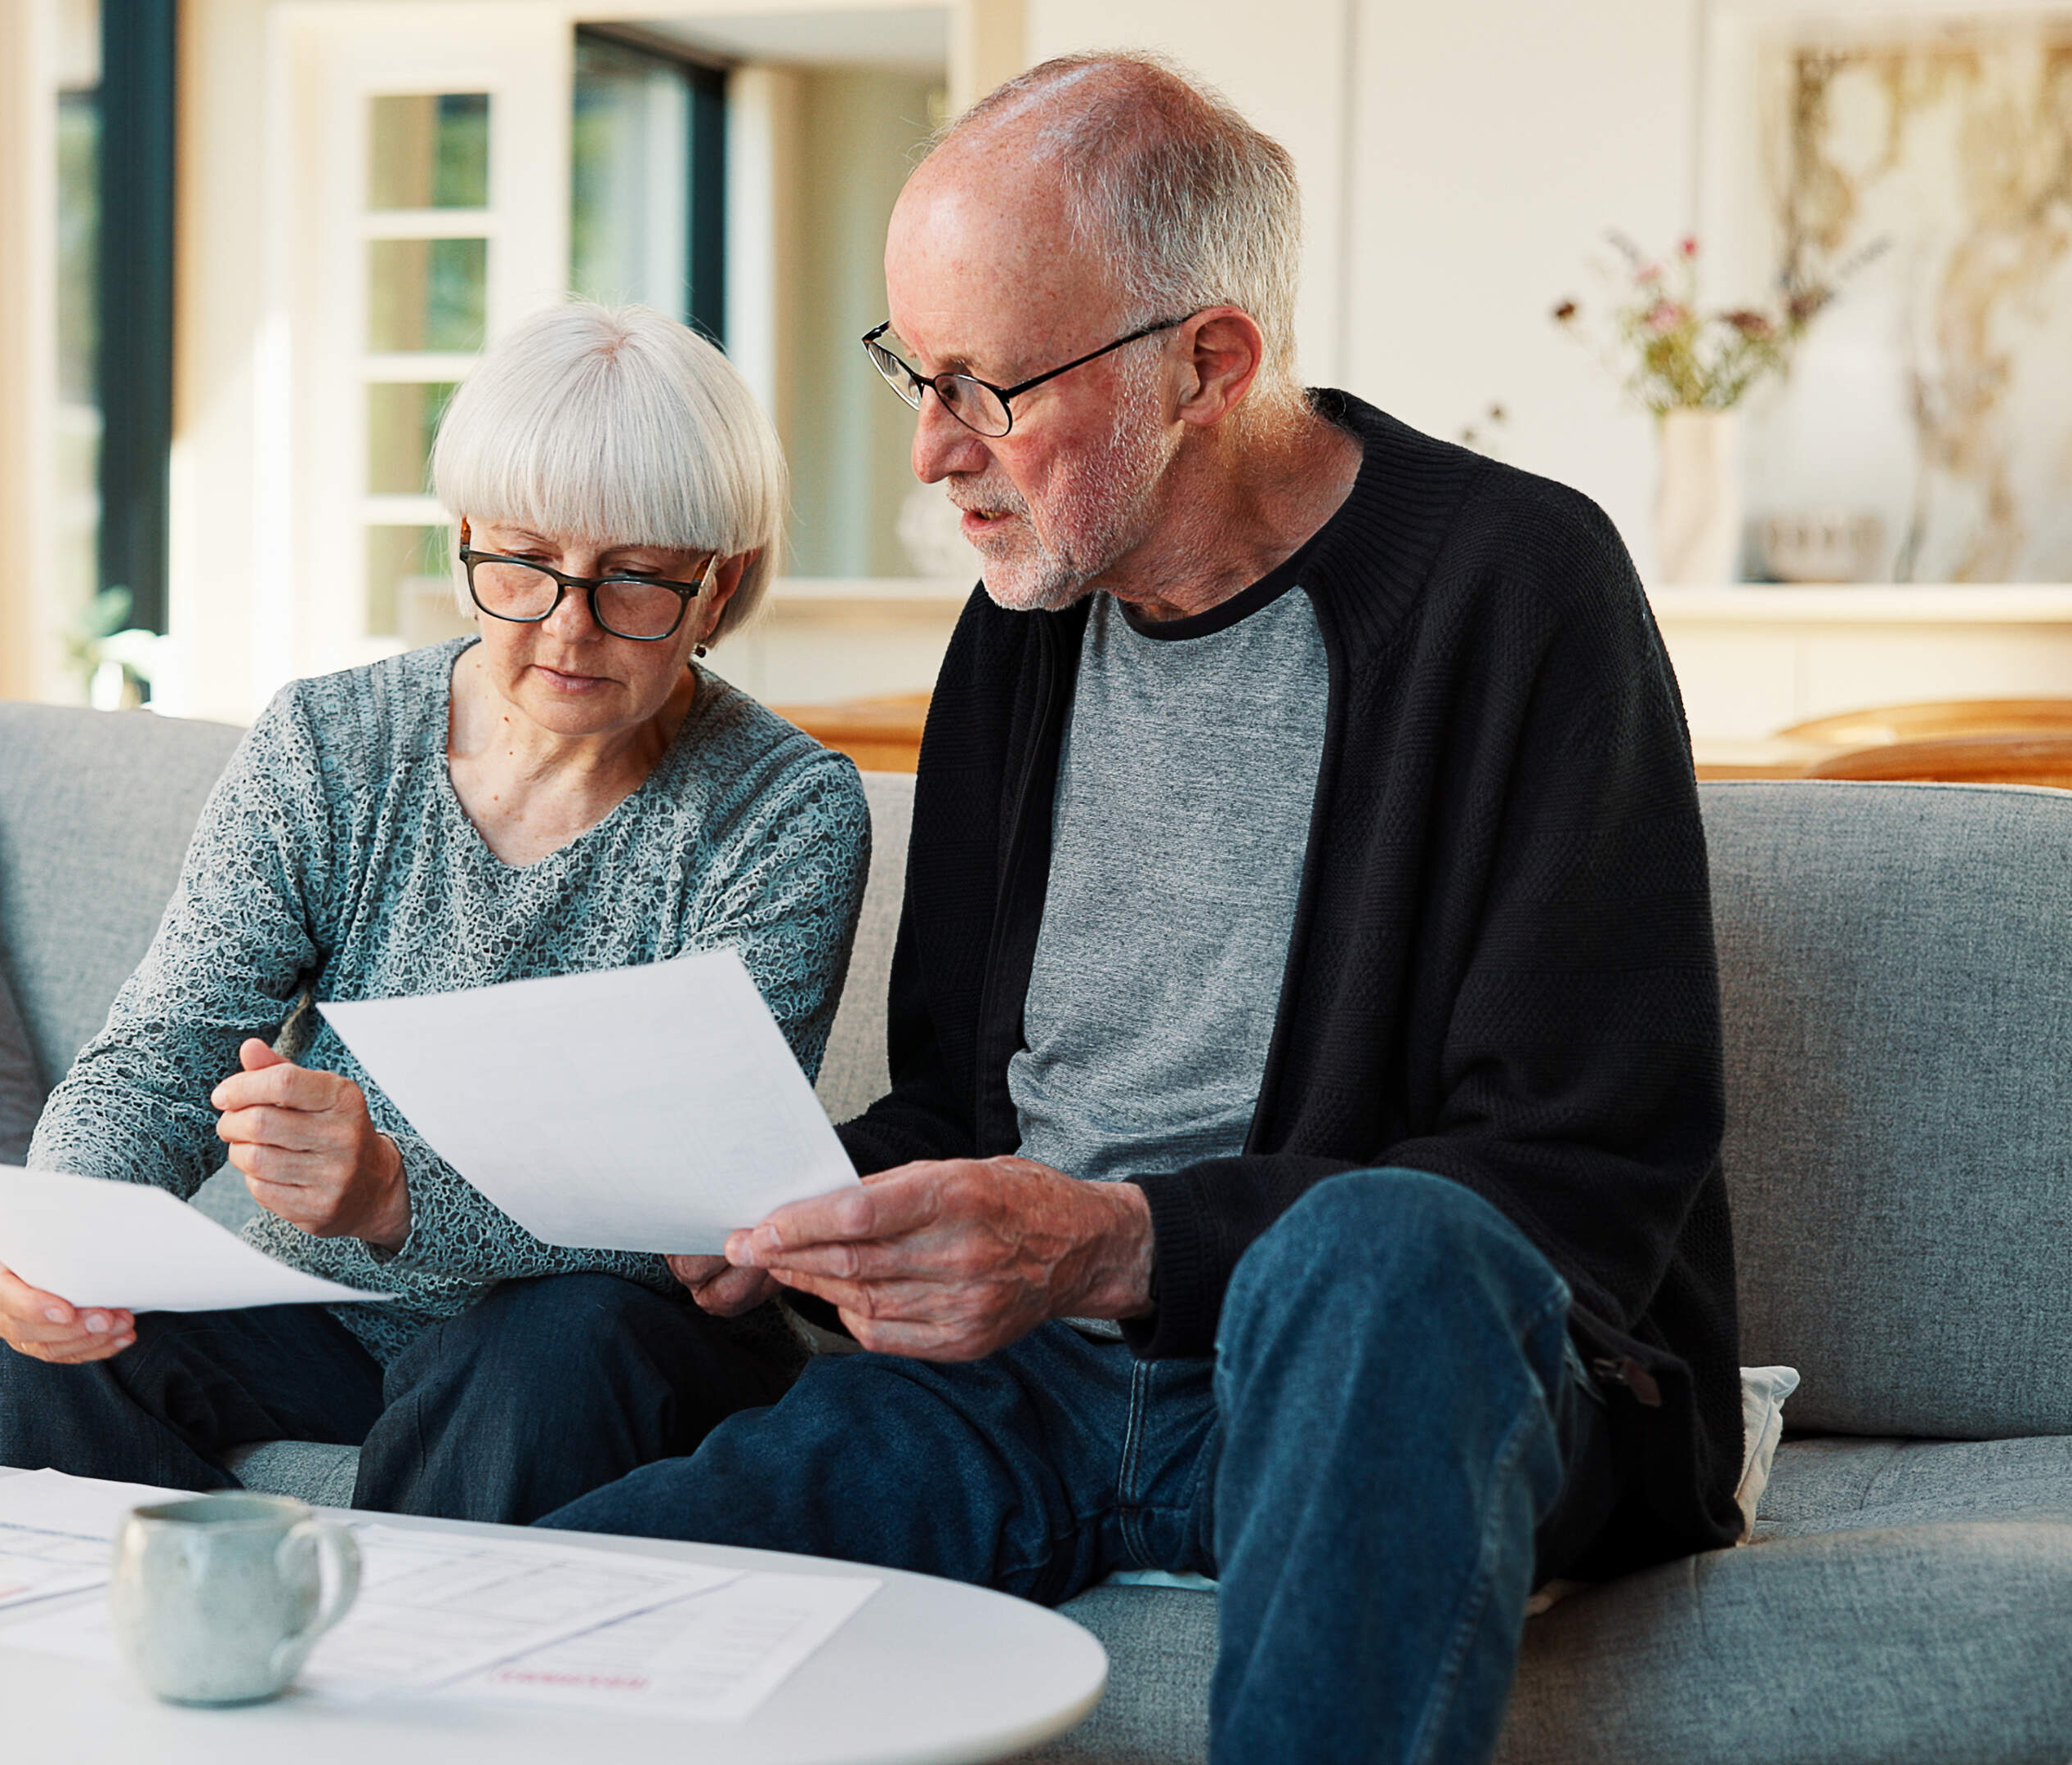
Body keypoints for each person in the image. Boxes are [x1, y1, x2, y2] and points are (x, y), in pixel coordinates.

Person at [543, 54, 1738, 1765]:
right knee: (563, 1613)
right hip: (1024, 1388)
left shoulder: (1516, 589)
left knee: (1374, 1250)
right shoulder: (1019, 627)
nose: (933, 448)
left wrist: (1123, 1246)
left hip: (1375, 1375)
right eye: (910, 368)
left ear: (1210, 364)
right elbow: (964, 1106)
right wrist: (796, 1207)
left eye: (984, 383)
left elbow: (1586, 1172)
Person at [0, 302, 871, 1525]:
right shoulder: (331, 743)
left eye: (633, 578)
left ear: (719, 581)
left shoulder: (783, 810)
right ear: (469, 539)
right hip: (330, 1315)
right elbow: (166, 1054)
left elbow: (693, 1226)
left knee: (553, 1353)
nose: (567, 626)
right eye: (524, 564)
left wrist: (392, 1195)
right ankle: (150, 1670)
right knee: (9, 1325)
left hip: (596, 1331)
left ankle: (409, 1702)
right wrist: (59, 1226)